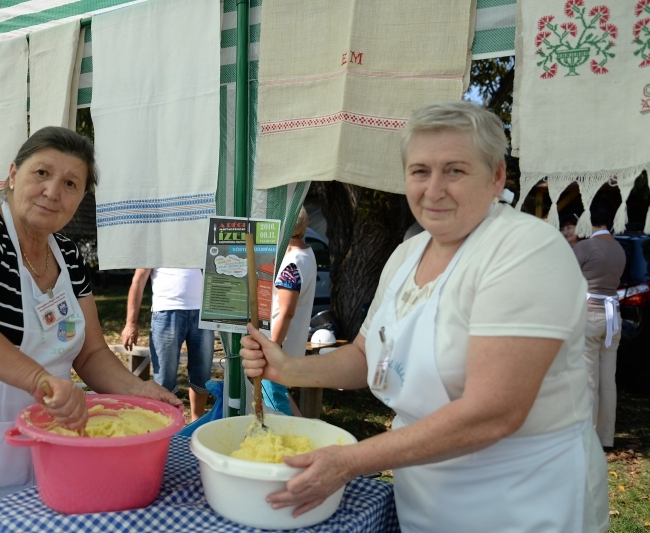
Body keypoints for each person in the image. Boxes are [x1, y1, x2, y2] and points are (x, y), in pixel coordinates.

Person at [240, 101, 608, 532]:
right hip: (426, 498)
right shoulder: (407, 254)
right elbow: (366, 355)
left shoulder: (526, 250)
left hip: (522, 501)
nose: (434, 189)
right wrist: (289, 369)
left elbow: (494, 412)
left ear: (496, 177)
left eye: (454, 170)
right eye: (420, 171)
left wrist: (349, 462)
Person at [0, 127, 180, 515]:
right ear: (13, 174)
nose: (53, 191)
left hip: (34, 445)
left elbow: (90, 353)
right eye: (42, 173)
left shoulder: (68, 256)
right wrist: (39, 380)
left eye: (70, 183)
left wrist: (138, 390)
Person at [121, 268, 213, 421]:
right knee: (164, 379)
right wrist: (130, 323)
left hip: (202, 313)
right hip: (166, 312)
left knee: (202, 374)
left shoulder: (198, 242)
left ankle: (196, 424)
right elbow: (138, 280)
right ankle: (166, 424)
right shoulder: (155, 244)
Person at [574, 201, 626, 448]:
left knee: (590, 380)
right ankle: (606, 438)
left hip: (590, 316)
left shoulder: (585, 247)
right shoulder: (620, 249)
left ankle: (589, 439)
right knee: (608, 380)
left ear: (587, 220)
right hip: (613, 318)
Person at [262, 207, 317, 415]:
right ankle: (306, 433)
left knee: (276, 407)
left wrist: (271, 348)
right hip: (290, 342)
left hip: (280, 343)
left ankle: (297, 445)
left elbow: (286, 312)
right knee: (281, 395)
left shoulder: (291, 263)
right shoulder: (307, 253)